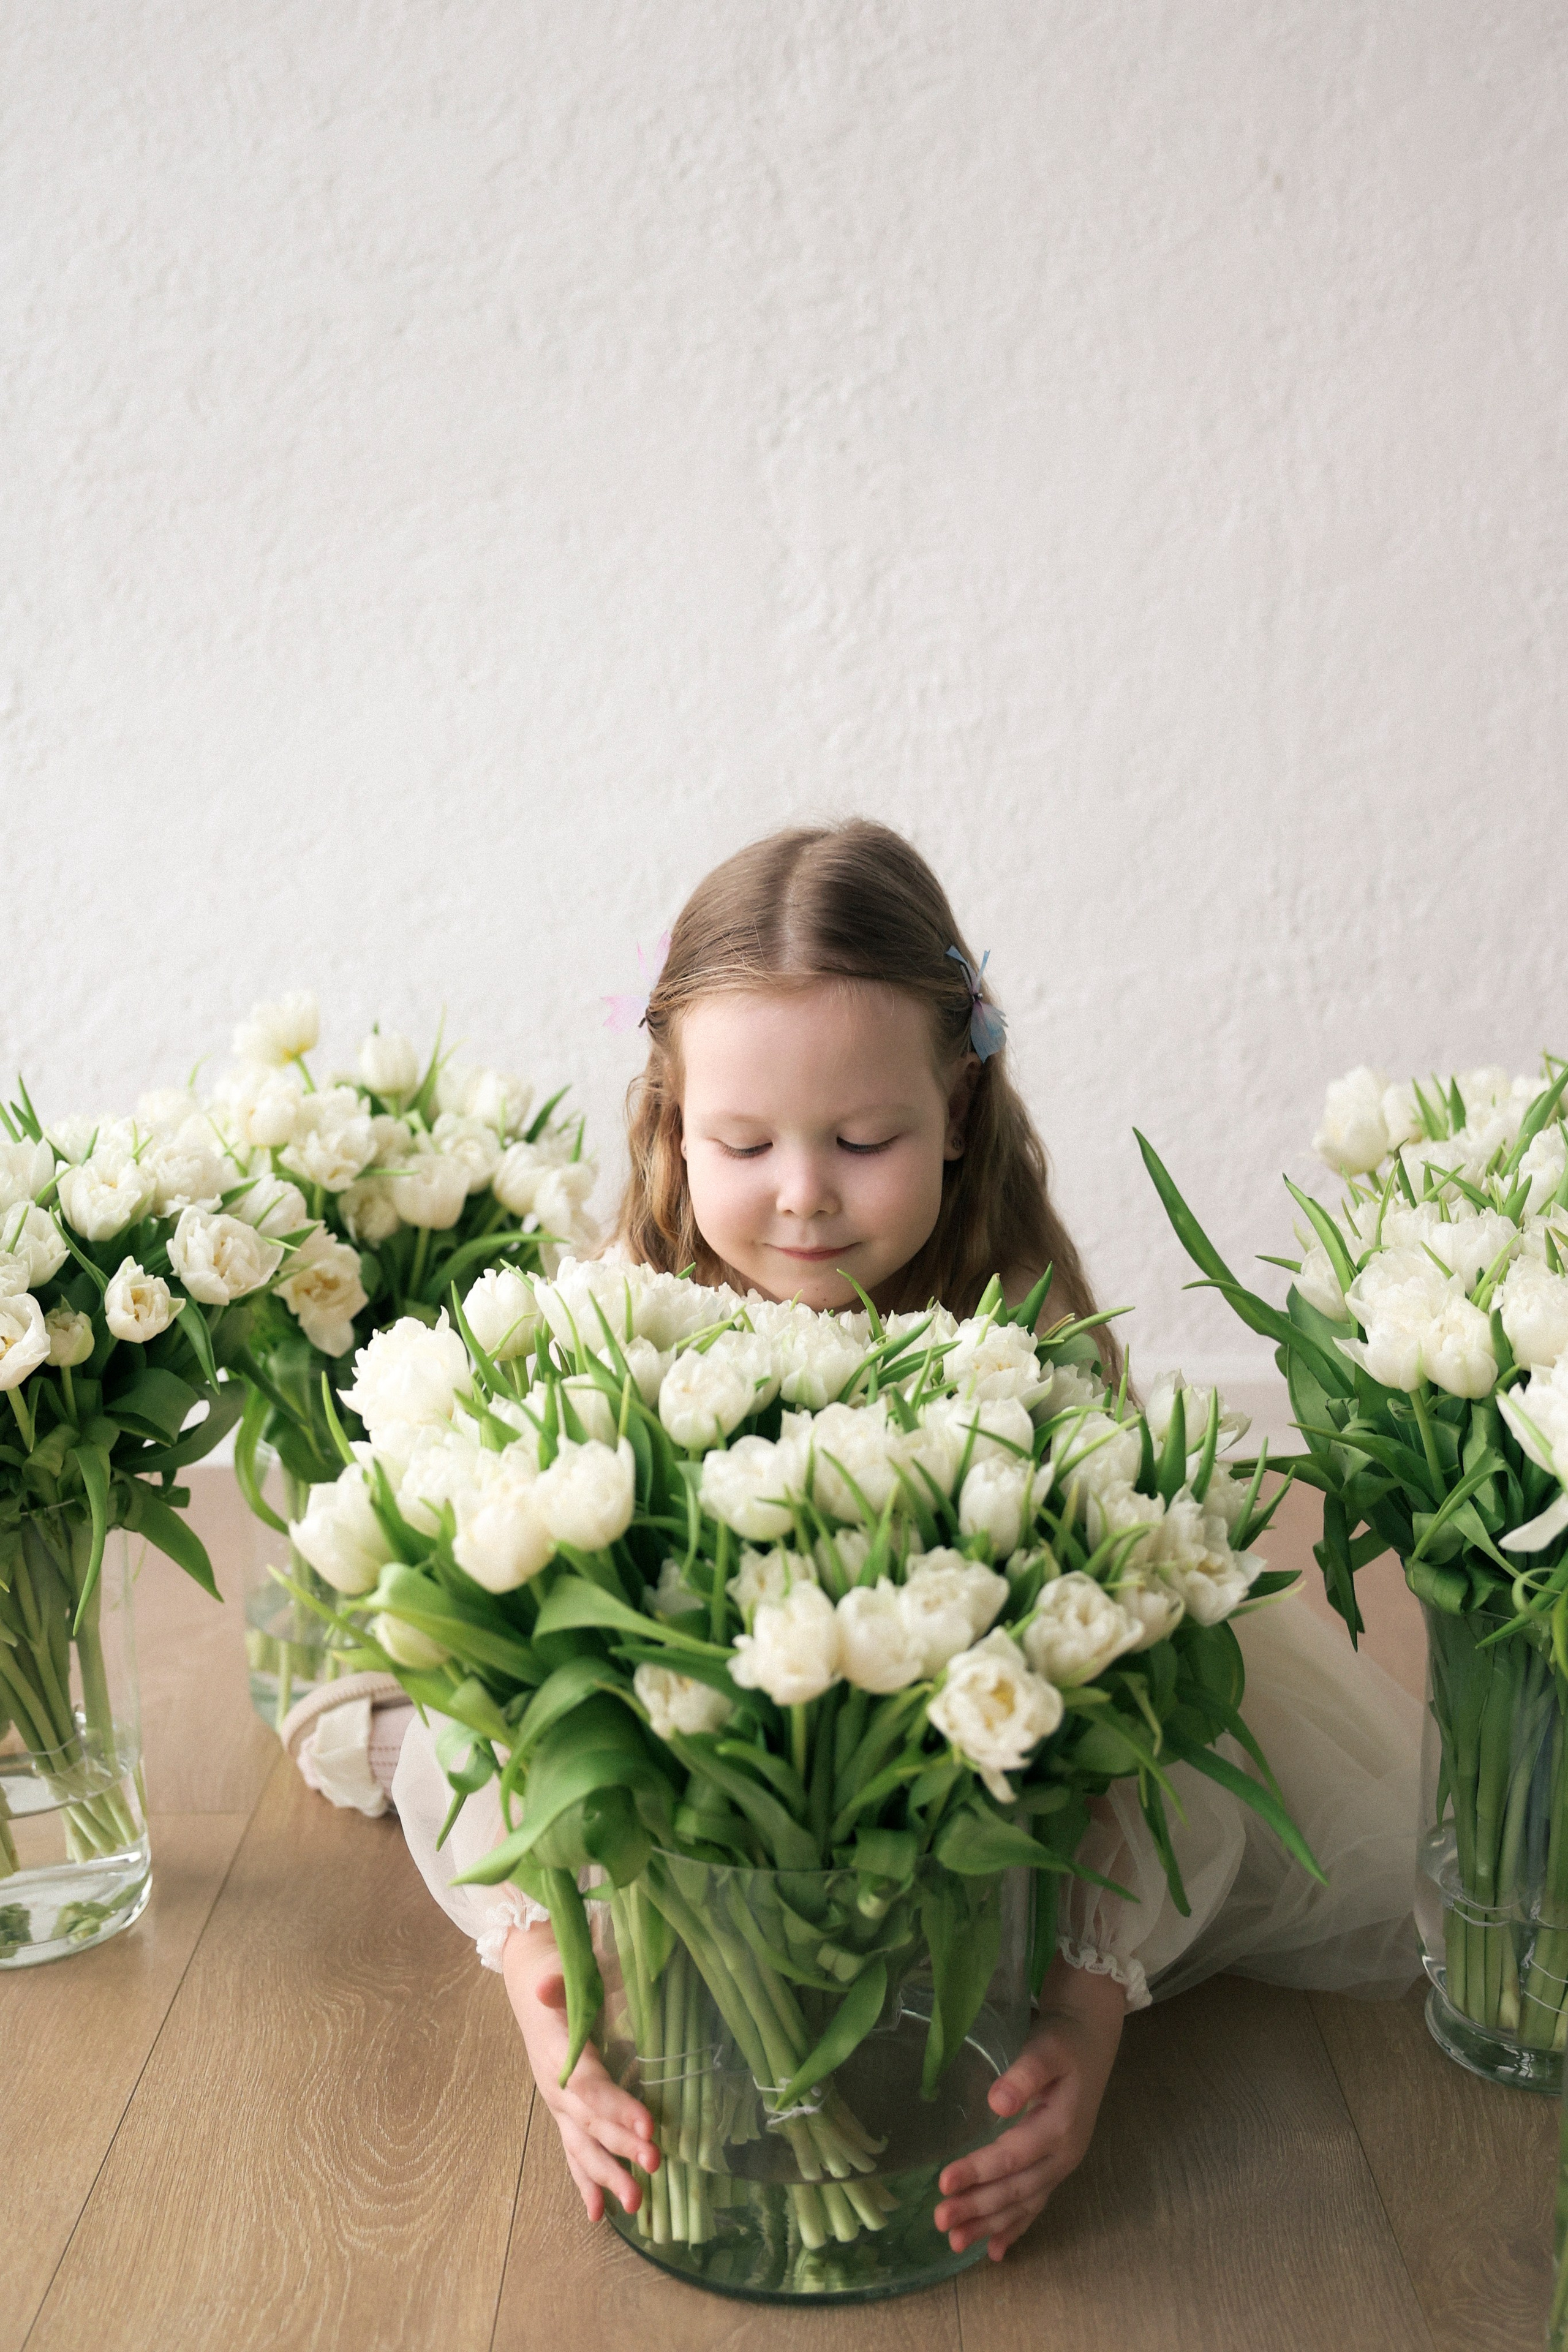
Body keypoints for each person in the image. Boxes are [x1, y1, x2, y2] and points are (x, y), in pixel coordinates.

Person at [383, 818, 1421, 2263]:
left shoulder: (1018, 1338)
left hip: (982, 1784)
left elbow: (1125, 1732)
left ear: (955, 1112)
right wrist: (546, 1974)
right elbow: (513, 1714)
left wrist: (1081, 2014)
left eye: (861, 1141)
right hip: (698, 1805)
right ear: (670, 1125)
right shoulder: (627, 1321)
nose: (801, 1191)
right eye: (742, 1143)